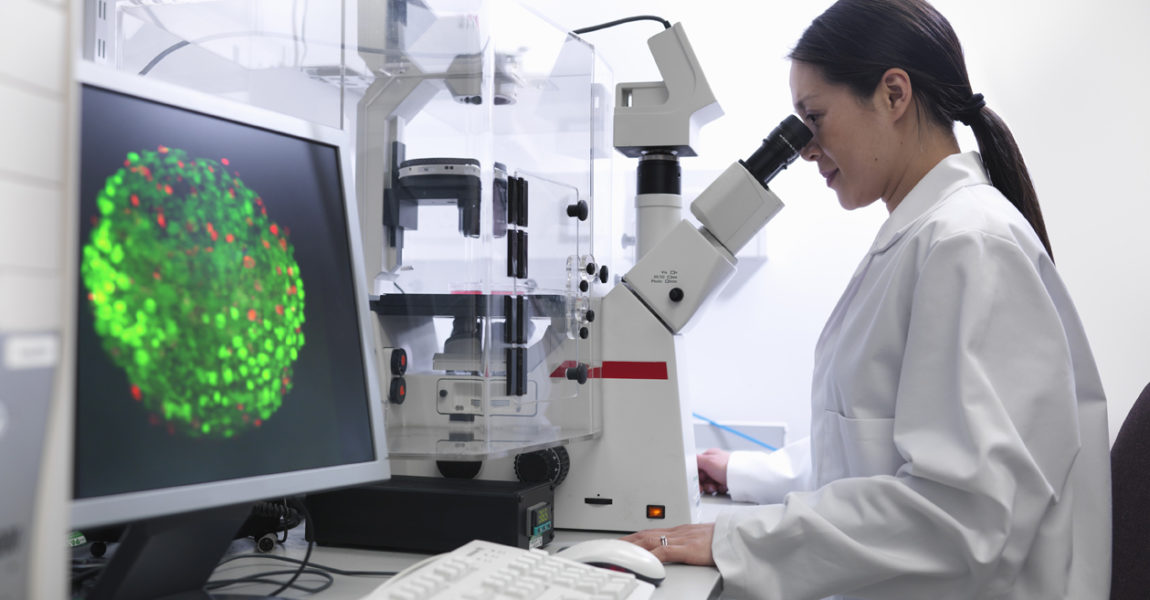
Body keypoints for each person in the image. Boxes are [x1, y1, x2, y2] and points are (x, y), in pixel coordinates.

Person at [621, 1, 1112, 598]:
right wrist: (741, 472)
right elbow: (871, 448)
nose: (804, 148)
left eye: (815, 117)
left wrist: (735, 541)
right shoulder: (927, 236)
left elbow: (961, 517)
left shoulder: (967, 245)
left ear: (894, 95)